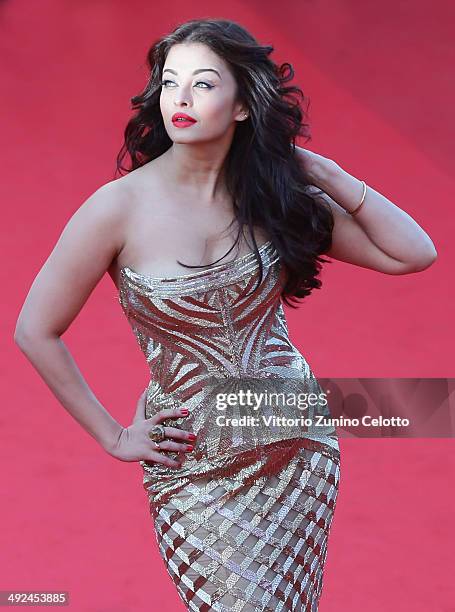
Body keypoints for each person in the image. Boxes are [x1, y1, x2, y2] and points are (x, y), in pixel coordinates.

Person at [14, 18, 437, 611]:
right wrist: (113, 435)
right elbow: (35, 329)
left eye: (204, 84)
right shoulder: (115, 209)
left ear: (243, 105)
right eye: (169, 82)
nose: (180, 99)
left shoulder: (274, 199)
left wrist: (327, 173)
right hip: (191, 463)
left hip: (294, 445)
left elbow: (413, 254)